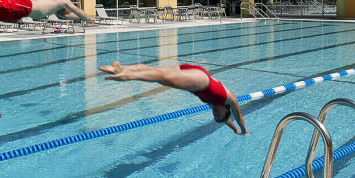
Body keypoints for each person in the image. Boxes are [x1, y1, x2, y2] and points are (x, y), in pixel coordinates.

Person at [99, 61, 248, 135]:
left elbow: (226, 120)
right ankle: (128, 76)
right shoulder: (229, 99)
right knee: (163, 76)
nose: (215, 114)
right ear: (227, 110)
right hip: (202, 80)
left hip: (191, 75)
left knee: (159, 76)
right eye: (219, 115)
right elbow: (239, 117)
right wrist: (244, 131)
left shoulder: (214, 105)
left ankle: (120, 68)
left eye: (215, 116)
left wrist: (235, 131)